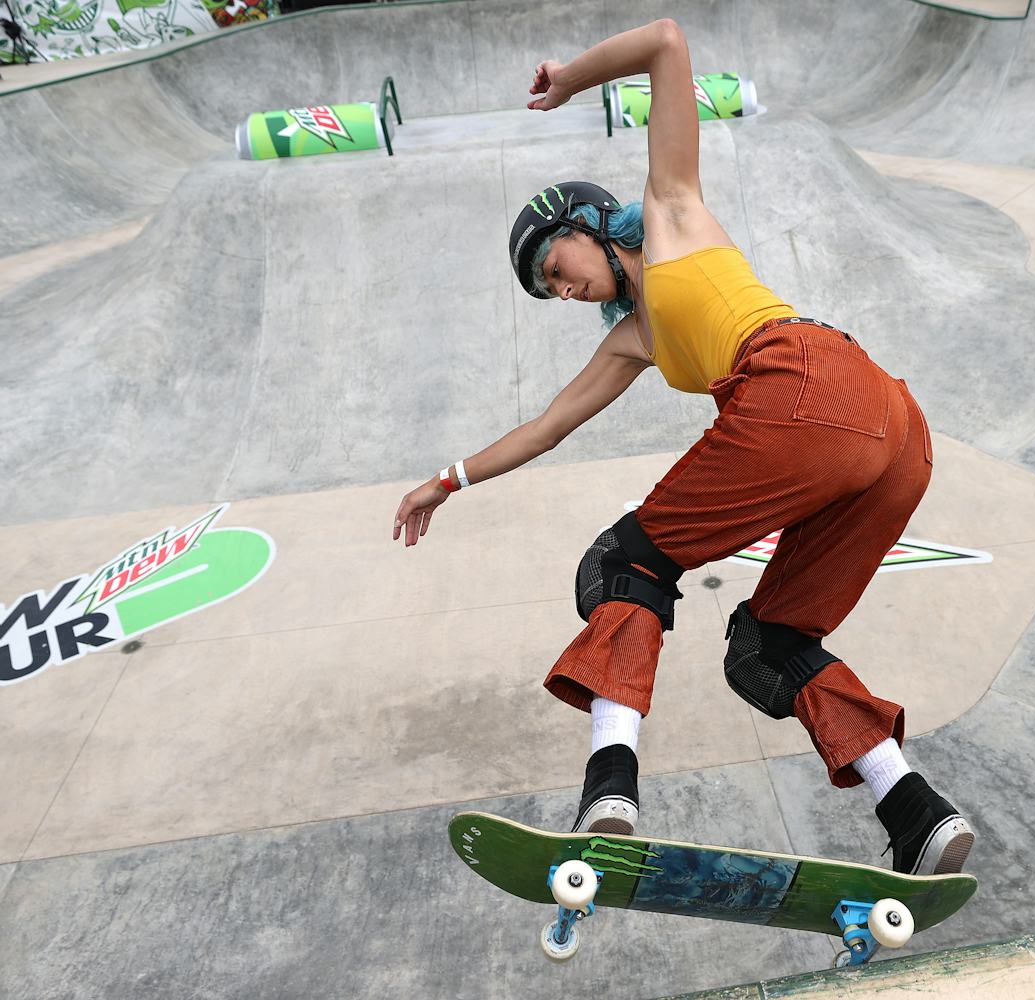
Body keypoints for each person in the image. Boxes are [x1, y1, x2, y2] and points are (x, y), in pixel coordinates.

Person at [393, 18, 974, 876]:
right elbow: (548, 425)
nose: (561, 290)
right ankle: (918, 811)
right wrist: (447, 480)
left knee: (620, 566)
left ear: (592, 224)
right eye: (549, 290)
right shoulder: (634, 338)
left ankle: (611, 784)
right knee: (767, 647)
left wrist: (572, 79)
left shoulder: (672, 211)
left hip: (803, 385)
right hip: (890, 430)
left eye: (557, 265)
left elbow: (666, 41)